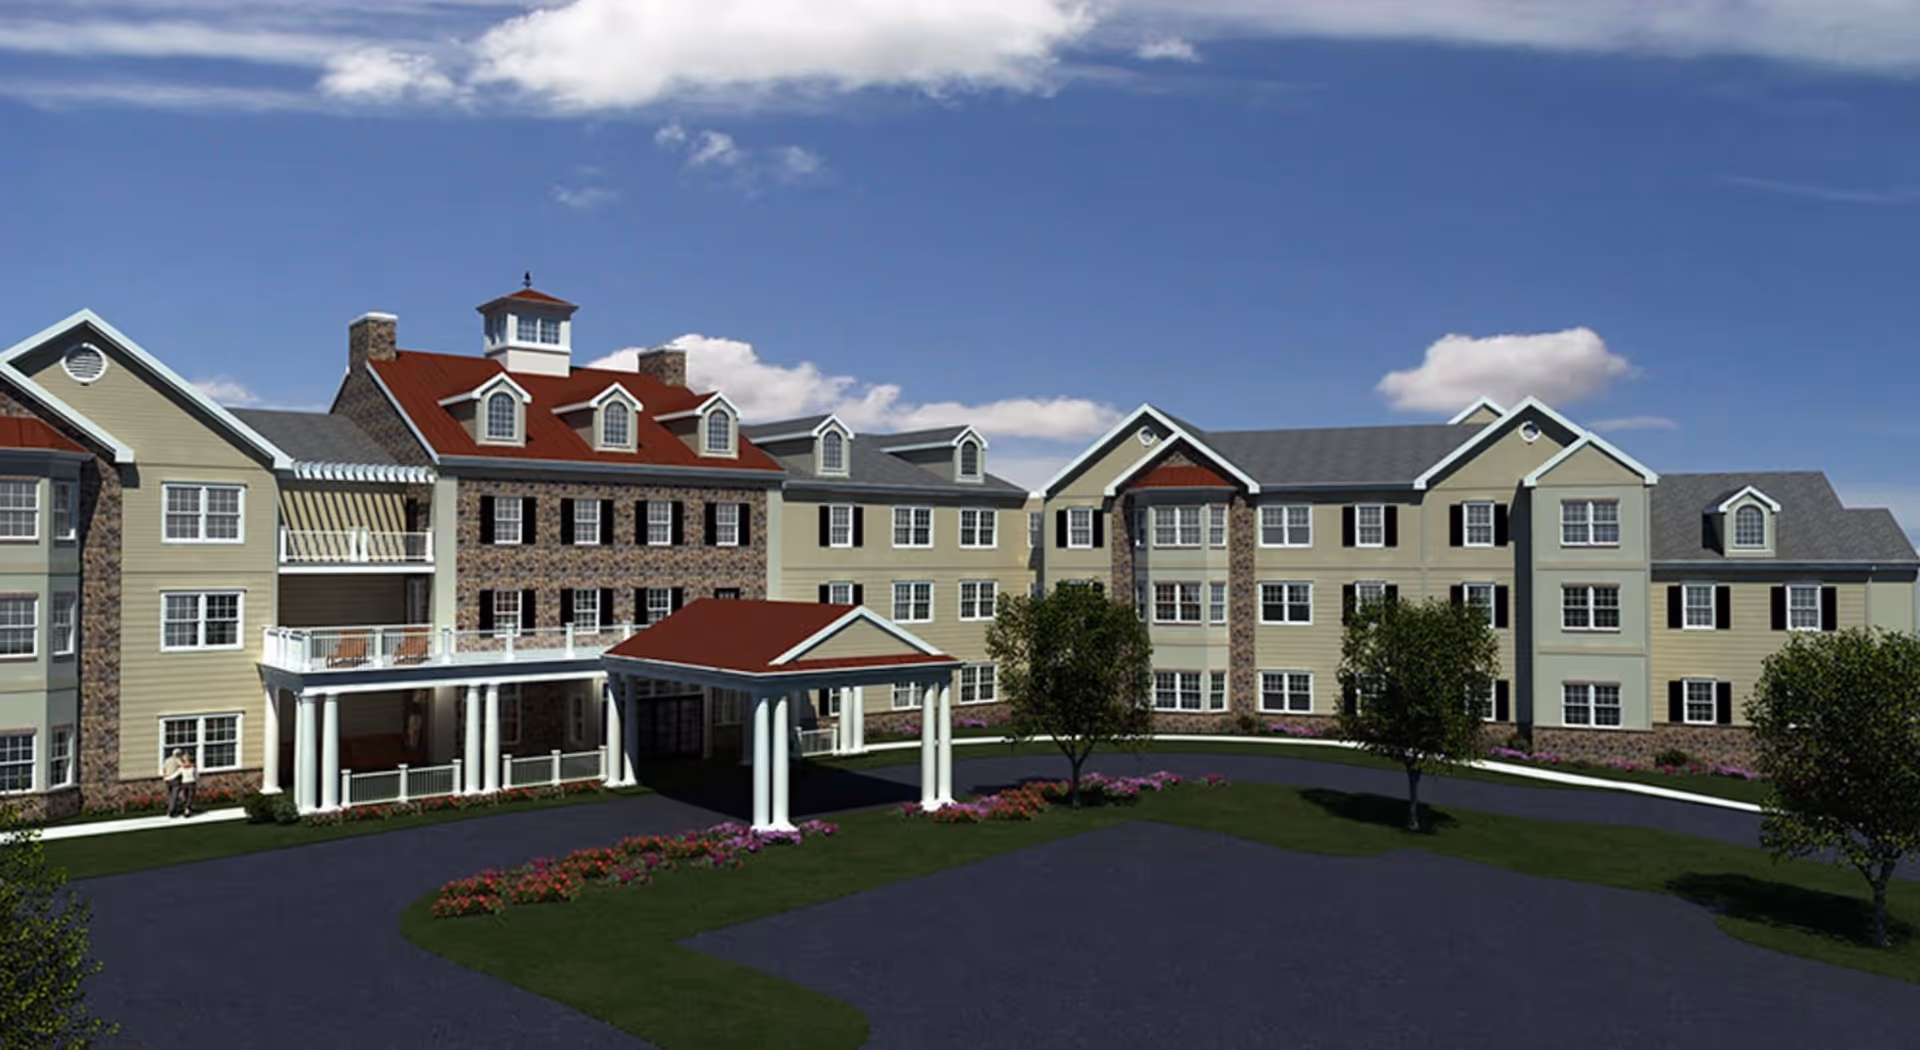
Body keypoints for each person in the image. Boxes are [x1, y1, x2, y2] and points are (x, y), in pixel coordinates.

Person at [162, 748, 186, 818]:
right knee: (174, 796)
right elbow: (183, 766)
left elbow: (164, 769)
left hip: (167, 779)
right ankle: (171, 811)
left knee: (170, 795)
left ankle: (170, 809)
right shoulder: (177, 759)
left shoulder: (167, 760)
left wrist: (165, 777)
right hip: (175, 779)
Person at [177, 753, 199, 818]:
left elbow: (197, 775)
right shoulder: (181, 768)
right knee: (186, 797)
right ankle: (187, 809)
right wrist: (167, 777)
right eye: (185, 758)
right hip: (185, 783)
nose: (186, 759)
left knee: (190, 797)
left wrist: (196, 779)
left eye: (187, 758)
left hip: (192, 782)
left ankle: (187, 809)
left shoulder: (193, 767)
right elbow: (176, 774)